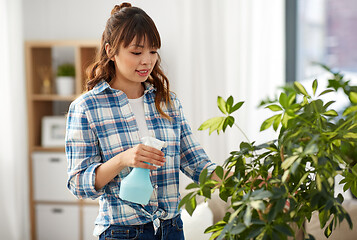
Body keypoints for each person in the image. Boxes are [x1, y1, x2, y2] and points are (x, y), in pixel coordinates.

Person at [65, 3, 217, 240]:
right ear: (110, 51)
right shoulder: (86, 108)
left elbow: (197, 164)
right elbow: (78, 184)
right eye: (137, 53)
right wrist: (123, 159)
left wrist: (245, 180)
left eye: (153, 51)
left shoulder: (167, 102)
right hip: (122, 232)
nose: (147, 61)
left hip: (172, 230)